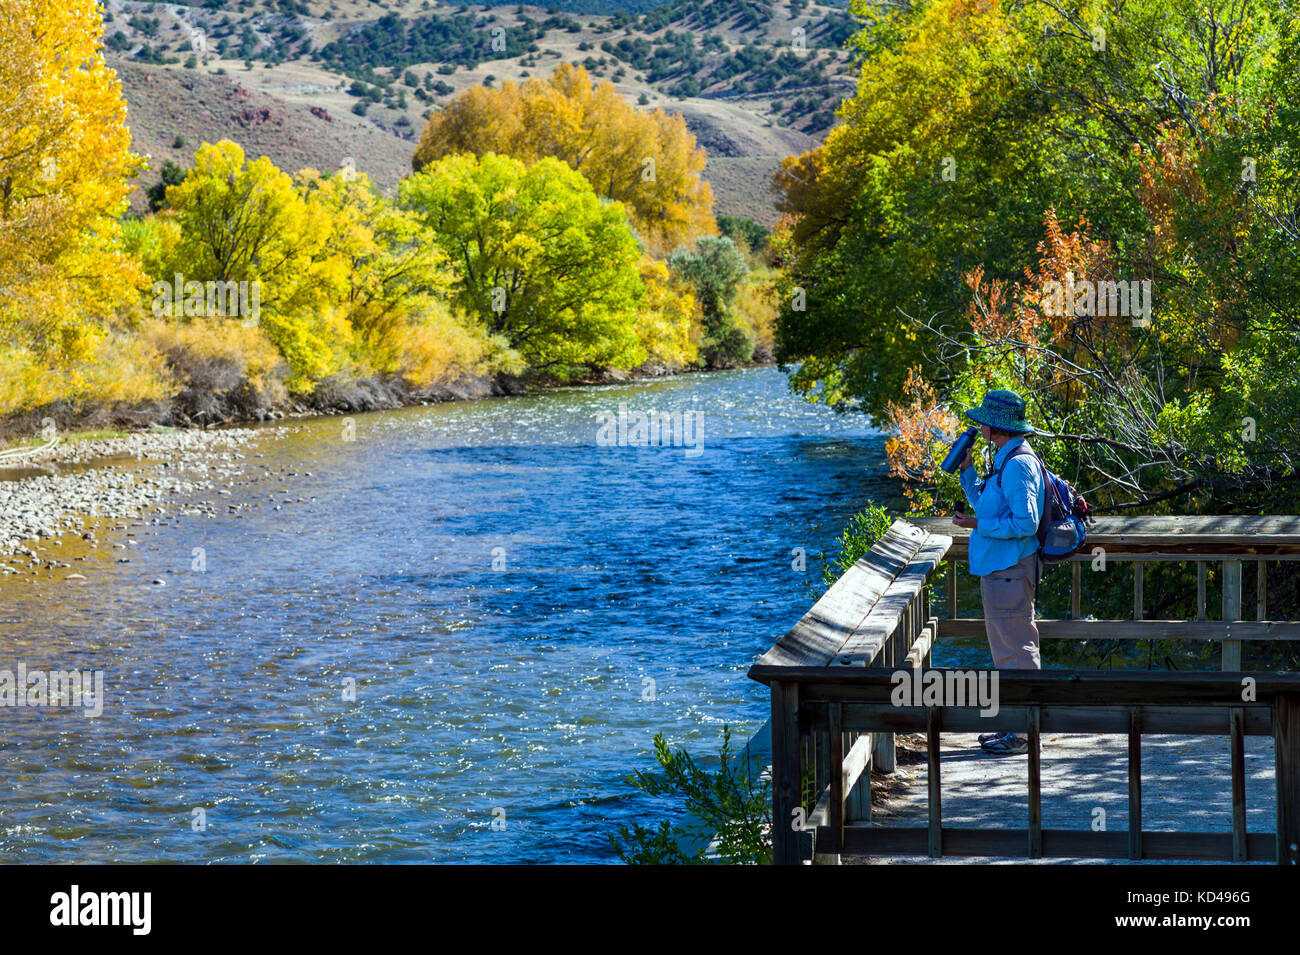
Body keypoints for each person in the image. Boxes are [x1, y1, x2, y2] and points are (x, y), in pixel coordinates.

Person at [950, 389, 1045, 756]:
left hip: (1009, 570)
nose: (979, 425)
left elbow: (1026, 522)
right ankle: (1015, 728)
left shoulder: (1019, 464)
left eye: (984, 420)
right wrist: (967, 469)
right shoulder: (1006, 458)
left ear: (996, 425)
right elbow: (986, 505)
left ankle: (1022, 734)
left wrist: (977, 524)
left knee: (1016, 651)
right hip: (1002, 570)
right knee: (1007, 650)